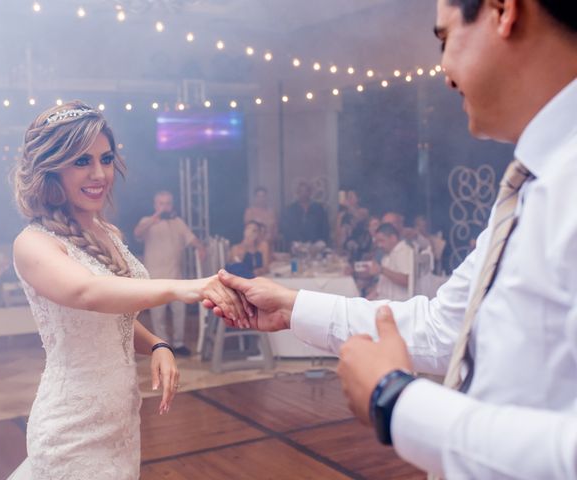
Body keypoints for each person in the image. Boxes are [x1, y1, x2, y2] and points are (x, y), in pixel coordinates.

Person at [206, 0, 577, 477]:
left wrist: (398, 402)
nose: (443, 70)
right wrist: (291, 306)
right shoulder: (534, 186)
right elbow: (445, 327)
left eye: (444, 39)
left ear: (503, 11)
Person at [8, 100, 249, 480]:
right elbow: (87, 293)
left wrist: (157, 344)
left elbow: (109, 318)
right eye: (81, 161)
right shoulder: (33, 243)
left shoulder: (108, 233)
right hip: (72, 429)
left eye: (105, 159)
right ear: (50, 170)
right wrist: (181, 288)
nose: (100, 173)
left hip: (122, 423)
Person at [134, 191, 206, 357]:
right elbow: (137, 233)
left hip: (176, 275)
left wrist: (200, 247)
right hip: (155, 277)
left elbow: (192, 238)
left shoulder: (178, 222)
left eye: (167, 203)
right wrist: (155, 218)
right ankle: (163, 344)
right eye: (161, 203)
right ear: (155, 205)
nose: (165, 206)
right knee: (158, 315)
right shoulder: (147, 222)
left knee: (179, 311)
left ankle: (179, 343)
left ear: (172, 205)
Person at [365, 223, 413, 301]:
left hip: (397, 304)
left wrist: (382, 270)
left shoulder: (404, 252)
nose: (379, 245)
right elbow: (380, 287)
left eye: (382, 241)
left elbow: (408, 281)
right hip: (382, 301)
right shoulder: (388, 254)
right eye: (377, 242)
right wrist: (367, 300)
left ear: (393, 238)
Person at [280, 181, 330, 249]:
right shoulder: (290, 210)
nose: (303, 194)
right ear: (297, 193)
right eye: (301, 191)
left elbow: (325, 228)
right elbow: (287, 229)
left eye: (306, 191)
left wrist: (321, 242)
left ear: (310, 193)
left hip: (315, 245)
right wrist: (296, 243)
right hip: (297, 245)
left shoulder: (318, 208)